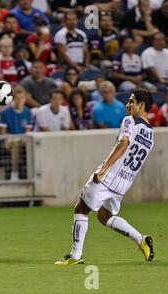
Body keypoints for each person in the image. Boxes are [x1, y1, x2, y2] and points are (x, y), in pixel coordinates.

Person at [55, 89, 155, 265]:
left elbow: (123, 144)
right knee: (104, 216)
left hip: (109, 176)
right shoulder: (151, 133)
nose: (127, 105)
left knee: (81, 209)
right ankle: (141, 240)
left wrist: (103, 170)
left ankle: (75, 256)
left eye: (131, 101)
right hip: (125, 181)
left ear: (141, 105)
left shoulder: (129, 121)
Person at [0, 85, 32, 180]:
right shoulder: (5, 112)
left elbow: (27, 131)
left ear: (25, 98)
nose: (20, 100)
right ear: (13, 99)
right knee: (15, 143)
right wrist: (17, 138)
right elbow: (3, 133)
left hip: (24, 138)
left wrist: (23, 138)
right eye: (17, 98)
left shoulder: (28, 112)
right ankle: (14, 172)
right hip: (8, 140)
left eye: (22, 98)